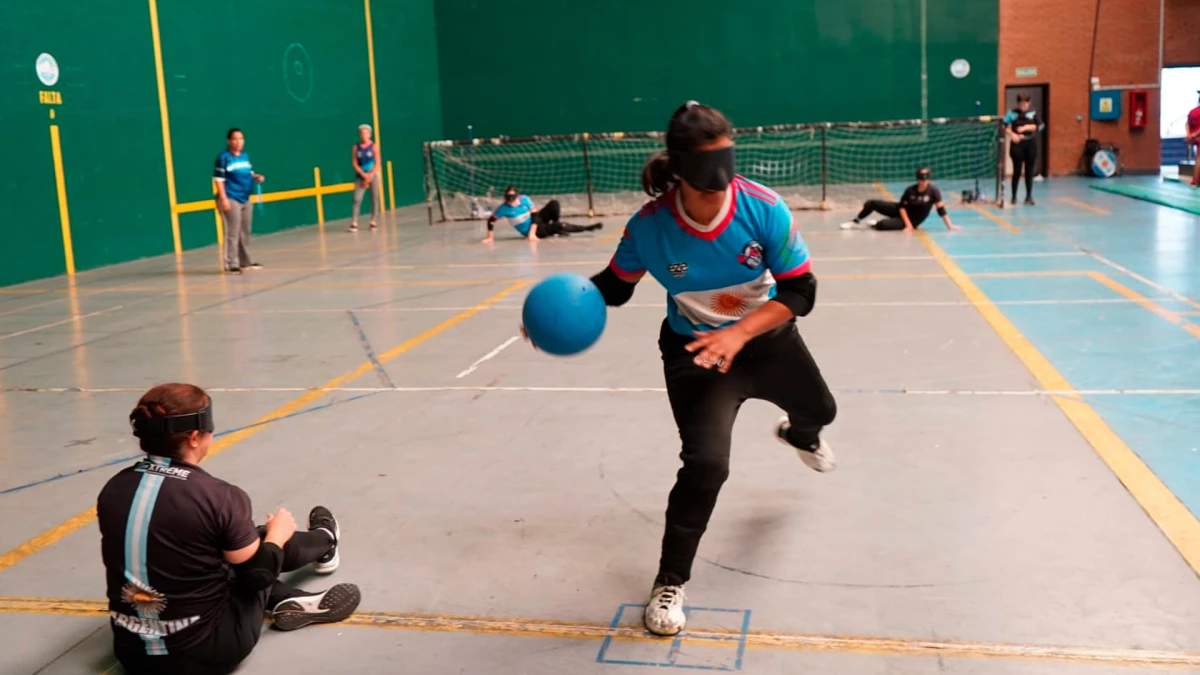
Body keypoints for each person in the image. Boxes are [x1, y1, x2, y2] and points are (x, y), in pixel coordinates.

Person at [556, 102, 837, 636]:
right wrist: (557, 312)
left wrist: (738, 332)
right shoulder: (651, 228)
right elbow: (615, 286)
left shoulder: (763, 209)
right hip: (697, 357)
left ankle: (799, 433)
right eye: (708, 173)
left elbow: (802, 289)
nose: (721, 185)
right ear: (680, 170)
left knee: (822, 410)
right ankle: (670, 581)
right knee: (707, 465)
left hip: (768, 340)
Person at [98, 383, 361, 675]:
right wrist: (278, 533)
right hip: (209, 653)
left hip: (131, 654)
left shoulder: (114, 487)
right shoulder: (218, 496)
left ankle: (287, 597)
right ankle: (327, 540)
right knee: (257, 543)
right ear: (195, 437)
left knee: (220, 545)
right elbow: (257, 575)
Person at [839, 168, 960, 231]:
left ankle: (876, 224)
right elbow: (901, 208)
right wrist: (907, 225)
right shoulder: (910, 190)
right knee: (872, 203)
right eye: (921, 178)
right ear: (917, 178)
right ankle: (855, 221)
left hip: (913, 220)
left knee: (883, 225)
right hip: (901, 212)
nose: (924, 180)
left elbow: (941, 210)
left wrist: (950, 226)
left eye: (926, 178)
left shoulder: (934, 191)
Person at [214, 129, 265, 274]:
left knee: (245, 231)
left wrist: (256, 177)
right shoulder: (223, 157)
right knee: (233, 232)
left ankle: (245, 262)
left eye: (241, 139)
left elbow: (248, 172)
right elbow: (218, 180)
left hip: (245, 198)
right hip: (230, 197)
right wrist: (223, 199)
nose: (238, 142)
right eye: (235, 139)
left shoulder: (245, 156)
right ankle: (231, 264)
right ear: (229, 141)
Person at [482, 187, 602, 243]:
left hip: (535, 223)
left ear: (517, 196)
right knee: (561, 225)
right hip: (534, 229)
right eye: (508, 198)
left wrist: (532, 233)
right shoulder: (504, 208)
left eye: (512, 197)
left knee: (554, 204)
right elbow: (491, 221)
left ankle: (554, 228)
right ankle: (586, 228)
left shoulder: (524, 199)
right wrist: (490, 237)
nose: (510, 200)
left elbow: (534, 215)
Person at [1003, 93, 1043, 205]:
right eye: (1021, 104)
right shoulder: (1012, 113)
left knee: (1029, 171)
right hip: (1017, 145)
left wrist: (1027, 127)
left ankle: (1029, 196)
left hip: (1030, 143)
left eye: (1025, 104)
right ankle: (1014, 197)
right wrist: (1012, 134)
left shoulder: (1034, 113)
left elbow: (1040, 126)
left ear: (1029, 103)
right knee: (1017, 171)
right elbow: (1004, 125)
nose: (1023, 106)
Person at [349, 124, 381, 232]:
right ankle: (354, 223)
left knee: (374, 198)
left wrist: (370, 175)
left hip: (373, 175)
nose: (364, 135)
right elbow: (354, 163)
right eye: (362, 133)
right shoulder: (355, 147)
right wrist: (363, 175)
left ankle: (373, 222)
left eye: (366, 133)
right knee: (357, 199)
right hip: (360, 176)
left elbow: (377, 163)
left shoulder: (374, 146)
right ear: (359, 134)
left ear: (370, 134)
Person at [1185, 91, 1200, 188]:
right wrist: (1194, 134)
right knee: (1199, 158)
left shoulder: (1192, 111)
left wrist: (1189, 134)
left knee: (1198, 158)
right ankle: (1195, 180)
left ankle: (1195, 180)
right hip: (1197, 136)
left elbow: (1187, 123)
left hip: (1194, 137)